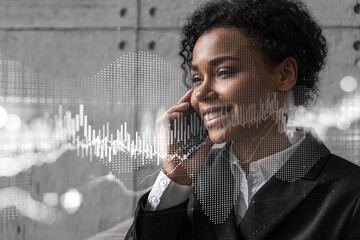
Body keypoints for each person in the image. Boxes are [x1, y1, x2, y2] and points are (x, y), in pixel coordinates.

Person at [126, 0, 360, 239]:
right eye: (197, 78)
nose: (201, 93)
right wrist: (176, 178)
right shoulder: (188, 180)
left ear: (285, 74)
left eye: (224, 72)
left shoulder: (350, 194)